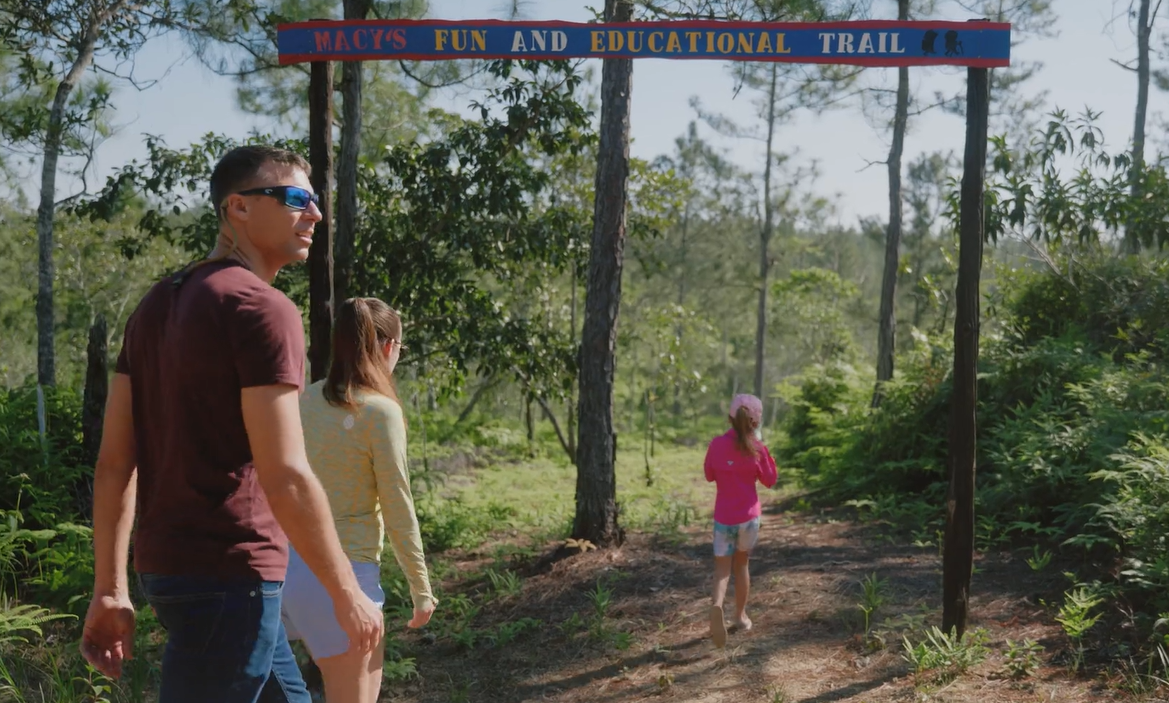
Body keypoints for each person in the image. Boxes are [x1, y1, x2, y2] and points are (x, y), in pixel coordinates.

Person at [80, 145, 385, 702]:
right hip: (230, 576)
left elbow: (115, 462)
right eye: (295, 198)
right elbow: (286, 473)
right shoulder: (261, 307)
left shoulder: (154, 305)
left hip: (171, 572)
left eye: (315, 200)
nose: (314, 213)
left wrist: (111, 588)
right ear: (238, 208)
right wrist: (346, 591)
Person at [282, 297, 437, 703]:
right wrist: (421, 588)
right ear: (387, 347)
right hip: (348, 578)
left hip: (288, 575)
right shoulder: (380, 412)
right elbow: (398, 504)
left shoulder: (304, 400)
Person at [703, 393, 778, 648]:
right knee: (742, 565)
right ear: (754, 422)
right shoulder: (757, 448)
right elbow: (770, 480)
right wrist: (765, 452)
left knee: (722, 570)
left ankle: (716, 606)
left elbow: (708, 475)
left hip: (724, 518)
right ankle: (740, 617)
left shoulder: (716, 444)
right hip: (748, 519)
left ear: (730, 417)